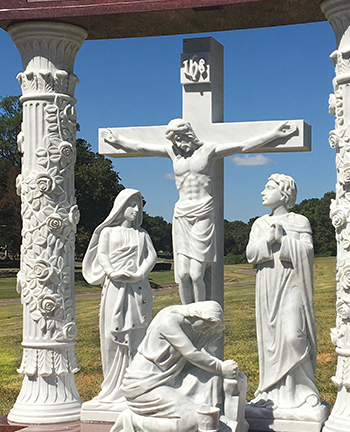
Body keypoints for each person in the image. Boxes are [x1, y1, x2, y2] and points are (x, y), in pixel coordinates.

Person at [101, 119, 296, 304]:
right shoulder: (173, 152)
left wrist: (274, 134)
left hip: (203, 213)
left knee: (196, 274)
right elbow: (142, 147)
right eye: (174, 140)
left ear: (188, 134)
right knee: (183, 274)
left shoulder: (208, 151)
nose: (177, 143)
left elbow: (243, 145)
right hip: (181, 215)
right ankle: (187, 311)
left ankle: (201, 310)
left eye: (179, 138)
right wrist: (118, 141)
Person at [245, 174, 328, 430]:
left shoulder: (299, 221)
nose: (262, 192)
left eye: (268, 187)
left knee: (293, 337)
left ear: (284, 193)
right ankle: (270, 393)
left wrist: (283, 240)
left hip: (292, 283)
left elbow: (308, 253)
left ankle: (303, 391)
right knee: (270, 340)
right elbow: (250, 255)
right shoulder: (259, 223)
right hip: (267, 285)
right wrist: (268, 240)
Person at [107, 301, 240, 432]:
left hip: (169, 381)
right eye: (205, 326)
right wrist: (221, 367)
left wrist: (220, 371)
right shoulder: (168, 322)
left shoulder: (189, 326)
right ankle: (132, 422)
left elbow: (199, 354)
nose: (204, 330)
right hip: (144, 386)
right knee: (194, 421)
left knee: (210, 382)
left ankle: (216, 424)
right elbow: (191, 354)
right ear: (198, 316)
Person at [81, 189, 156, 412]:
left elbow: (151, 256)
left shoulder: (142, 235)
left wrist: (140, 273)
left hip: (137, 288)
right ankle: (113, 386)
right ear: (121, 207)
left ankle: (135, 383)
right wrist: (112, 272)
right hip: (114, 287)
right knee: (111, 334)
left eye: (139, 206)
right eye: (131, 205)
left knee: (137, 335)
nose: (136, 210)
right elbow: (102, 254)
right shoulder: (108, 233)